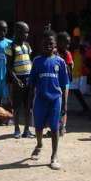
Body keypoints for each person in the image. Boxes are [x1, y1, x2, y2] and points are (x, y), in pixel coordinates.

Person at [29, 30, 69, 170]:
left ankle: (54, 155)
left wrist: (64, 104)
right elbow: (32, 83)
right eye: (45, 43)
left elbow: (64, 85)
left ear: (55, 45)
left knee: (54, 128)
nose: (48, 45)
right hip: (40, 99)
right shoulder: (37, 61)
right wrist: (29, 101)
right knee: (38, 127)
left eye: (51, 43)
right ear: (41, 44)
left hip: (55, 100)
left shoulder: (60, 62)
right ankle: (39, 144)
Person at [6, 21, 33, 139]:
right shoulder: (11, 47)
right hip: (18, 79)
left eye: (27, 32)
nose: (26, 35)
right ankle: (17, 129)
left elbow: (29, 61)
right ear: (17, 32)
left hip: (28, 78)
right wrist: (16, 79)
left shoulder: (27, 46)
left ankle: (27, 129)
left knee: (29, 106)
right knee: (17, 106)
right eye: (24, 32)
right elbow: (9, 66)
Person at [56, 31, 75, 134]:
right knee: (56, 104)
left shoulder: (67, 54)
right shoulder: (54, 52)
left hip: (64, 82)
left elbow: (69, 68)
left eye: (68, 43)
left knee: (64, 104)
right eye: (65, 43)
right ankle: (55, 126)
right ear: (58, 42)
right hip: (54, 82)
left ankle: (63, 126)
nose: (67, 45)